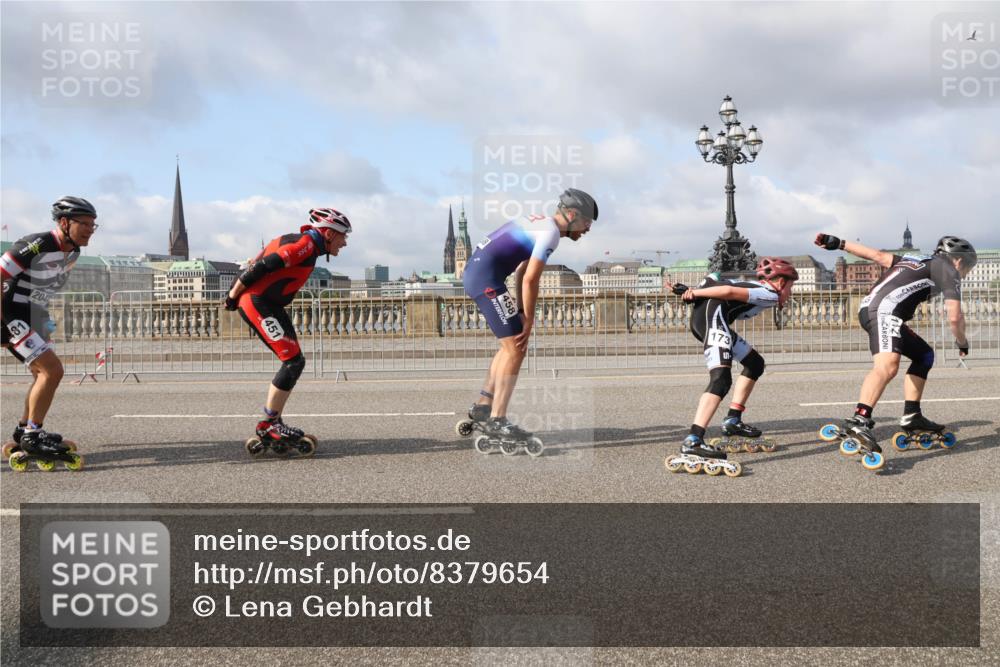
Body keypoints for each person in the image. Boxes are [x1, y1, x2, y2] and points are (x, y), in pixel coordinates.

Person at [460, 188, 598, 455]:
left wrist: (522, 310)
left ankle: (483, 406)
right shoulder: (551, 233)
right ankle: (497, 420)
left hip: (482, 274)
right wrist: (529, 318)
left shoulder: (540, 224)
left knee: (510, 346)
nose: (587, 229)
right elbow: (531, 279)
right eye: (586, 222)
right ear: (571, 215)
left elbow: (522, 269)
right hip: (486, 279)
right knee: (516, 347)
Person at [814, 233, 975, 459]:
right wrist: (962, 342)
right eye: (968, 268)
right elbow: (955, 317)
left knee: (924, 355)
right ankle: (859, 420)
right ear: (958, 261)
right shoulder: (949, 271)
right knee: (887, 366)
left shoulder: (915, 259)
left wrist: (838, 243)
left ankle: (912, 415)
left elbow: (877, 255)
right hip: (885, 312)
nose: (966, 274)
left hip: (874, 309)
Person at [225, 208, 350, 456]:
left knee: (295, 361)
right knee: (293, 362)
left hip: (270, 305)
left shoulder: (307, 244)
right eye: (342, 236)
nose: (344, 242)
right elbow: (260, 267)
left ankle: (274, 422)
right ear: (328, 234)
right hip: (258, 303)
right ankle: (269, 424)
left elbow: (257, 261)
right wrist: (232, 295)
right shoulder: (304, 246)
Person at [665, 257, 799, 477]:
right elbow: (727, 291)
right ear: (781, 283)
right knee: (721, 379)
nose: (790, 293)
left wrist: (691, 291)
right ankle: (693, 440)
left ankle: (733, 420)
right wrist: (693, 293)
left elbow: (713, 278)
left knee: (755, 364)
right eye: (790, 287)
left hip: (711, 320)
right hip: (713, 322)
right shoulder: (769, 293)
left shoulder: (752, 284)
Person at [1, 196, 97, 471]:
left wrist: (43, 321)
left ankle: (25, 430)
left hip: (32, 315)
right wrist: (5, 321)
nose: (90, 229)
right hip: (10, 313)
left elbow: (41, 289)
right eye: (84, 223)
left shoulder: (74, 252)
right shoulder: (37, 244)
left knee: (41, 374)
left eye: (93, 224)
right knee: (52, 371)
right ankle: (33, 435)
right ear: (64, 223)